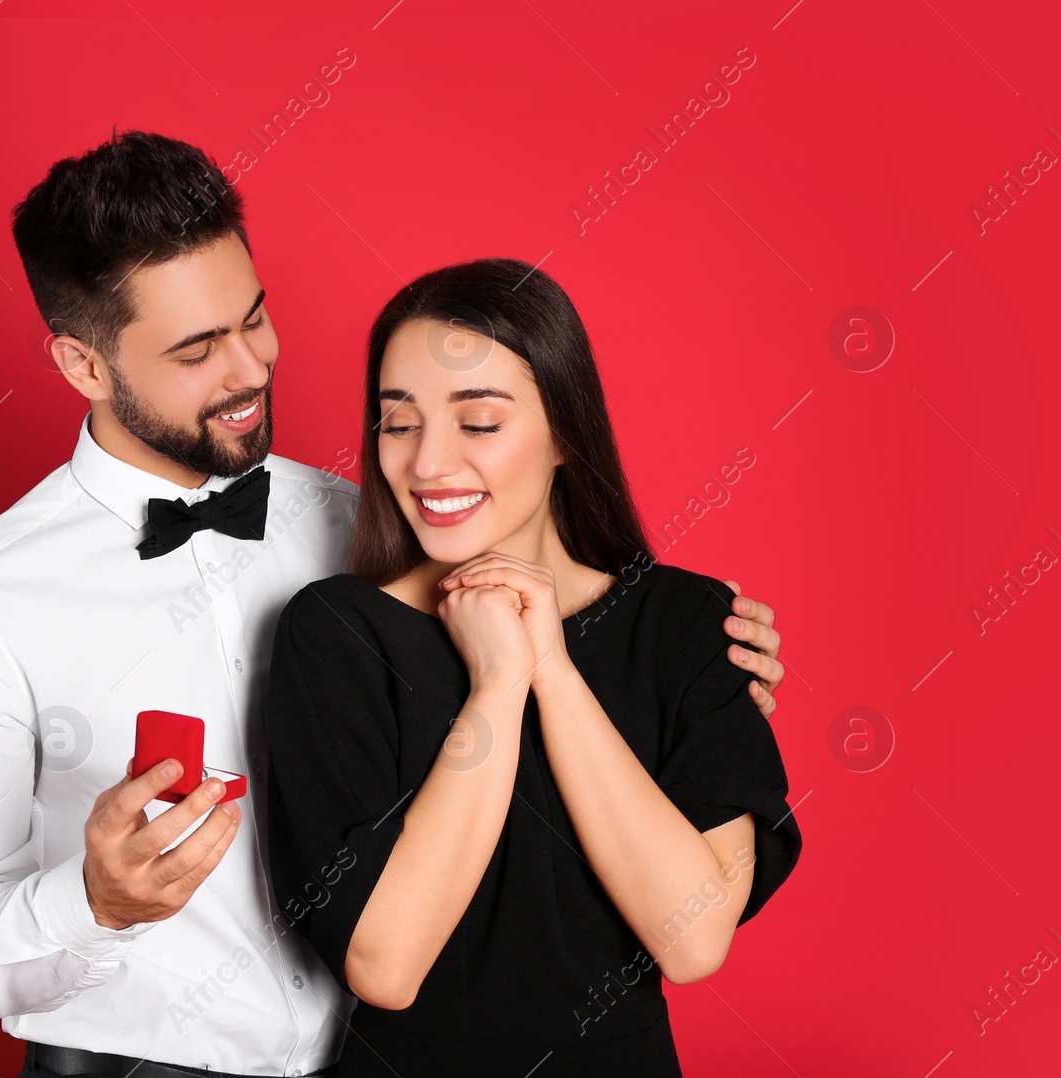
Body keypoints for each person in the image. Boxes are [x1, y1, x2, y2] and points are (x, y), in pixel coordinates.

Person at [0, 131, 789, 1078]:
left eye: (253, 319)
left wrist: (700, 648)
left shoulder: (377, 523)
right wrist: (94, 901)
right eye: (199, 350)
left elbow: (572, 590)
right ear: (84, 366)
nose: (249, 370)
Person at [262, 257, 804, 1076]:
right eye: (398, 422)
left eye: (477, 423)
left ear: (565, 436)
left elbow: (692, 939)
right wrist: (498, 681)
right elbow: (387, 964)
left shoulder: (687, 624)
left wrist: (552, 667)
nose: (428, 464)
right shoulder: (339, 632)